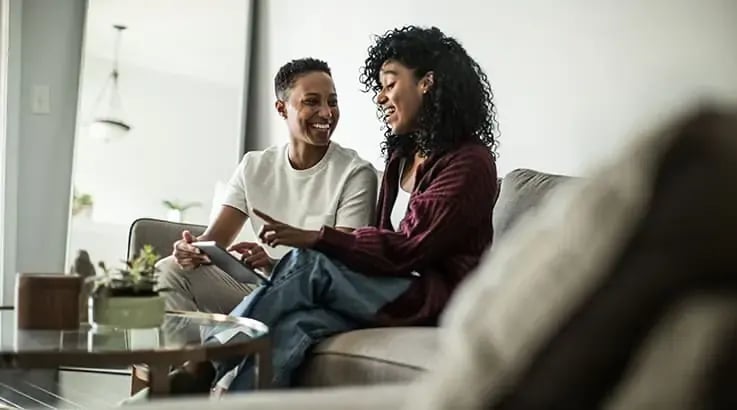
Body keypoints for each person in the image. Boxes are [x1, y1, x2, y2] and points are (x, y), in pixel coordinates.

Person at [165, 25, 500, 394]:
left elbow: (408, 247)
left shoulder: (470, 163)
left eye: (390, 85)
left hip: (435, 301)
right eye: (380, 89)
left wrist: (315, 239)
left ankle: (204, 363)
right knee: (297, 324)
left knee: (308, 262)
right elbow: (380, 245)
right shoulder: (401, 157)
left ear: (426, 83)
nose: (380, 98)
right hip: (392, 291)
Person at [157, 57, 378, 314]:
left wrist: (274, 265)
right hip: (262, 286)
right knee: (168, 270)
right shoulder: (254, 166)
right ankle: (192, 354)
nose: (327, 113)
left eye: (332, 102)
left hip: (315, 294)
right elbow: (213, 241)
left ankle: (208, 353)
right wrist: (190, 250)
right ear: (282, 108)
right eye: (312, 101)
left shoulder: (357, 173)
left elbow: (342, 264)